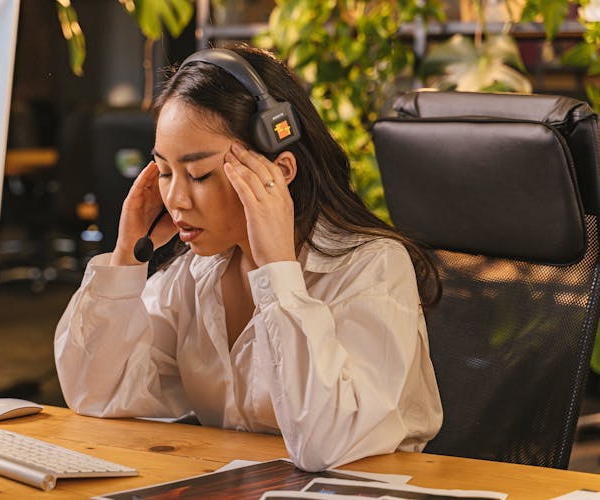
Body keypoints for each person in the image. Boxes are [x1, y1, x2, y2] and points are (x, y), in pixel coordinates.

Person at [54, 44, 443, 472]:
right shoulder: (196, 273)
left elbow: (326, 446)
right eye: (164, 172)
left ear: (280, 171)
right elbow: (97, 393)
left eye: (199, 174)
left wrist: (278, 272)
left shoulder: (372, 268)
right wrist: (126, 254)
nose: (176, 199)